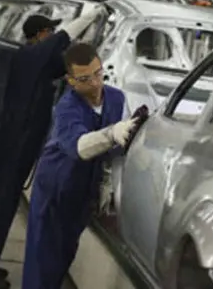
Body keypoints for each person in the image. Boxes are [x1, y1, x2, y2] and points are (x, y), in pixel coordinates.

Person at [0, 7, 106, 289]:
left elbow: (65, 61)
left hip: (18, 144)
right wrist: (89, 16)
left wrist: (90, 38)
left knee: (2, 202)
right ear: (41, 35)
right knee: (1, 203)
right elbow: (63, 38)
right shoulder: (30, 55)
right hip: (15, 143)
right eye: (49, 32)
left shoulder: (37, 62)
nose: (53, 36)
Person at [22, 42, 141, 289]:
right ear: (71, 81)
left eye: (98, 73)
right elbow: (80, 147)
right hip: (54, 193)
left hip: (81, 194)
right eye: (85, 78)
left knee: (63, 258)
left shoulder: (117, 98)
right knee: (42, 264)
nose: (95, 83)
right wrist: (111, 134)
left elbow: (116, 148)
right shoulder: (67, 107)